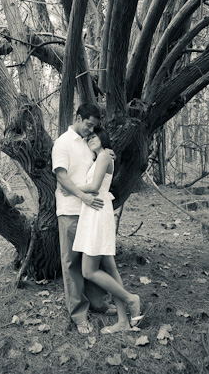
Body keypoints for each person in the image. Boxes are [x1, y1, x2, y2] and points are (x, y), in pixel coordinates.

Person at [52, 103, 116, 335]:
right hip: (70, 210)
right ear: (77, 117)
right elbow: (61, 175)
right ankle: (79, 314)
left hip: (91, 212)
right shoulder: (62, 143)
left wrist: (108, 155)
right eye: (89, 125)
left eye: (94, 127)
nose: (91, 130)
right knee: (72, 263)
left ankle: (98, 304)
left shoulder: (90, 144)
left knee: (93, 260)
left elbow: (99, 166)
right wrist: (82, 196)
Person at [72, 127, 142, 334]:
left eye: (94, 136)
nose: (90, 140)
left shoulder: (103, 157)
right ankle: (122, 321)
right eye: (88, 138)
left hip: (97, 212)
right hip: (95, 212)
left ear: (103, 138)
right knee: (110, 268)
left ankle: (131, 299)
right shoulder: (101, 158)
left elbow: (94, 186)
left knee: (88, 270)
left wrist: (68, 187)